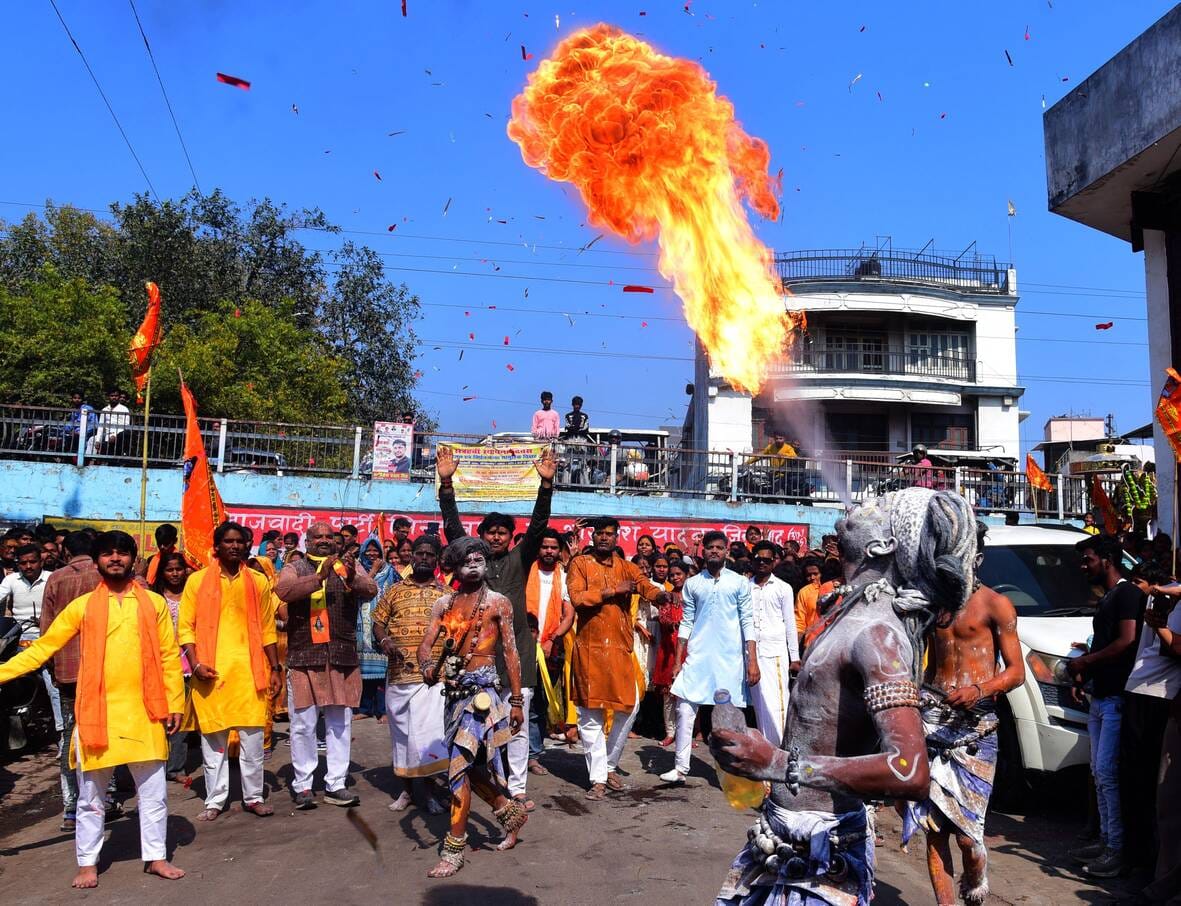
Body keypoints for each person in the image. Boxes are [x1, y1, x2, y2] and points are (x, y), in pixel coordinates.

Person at [711, 488, 977, 906]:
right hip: (783, 835)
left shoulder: (878, 635)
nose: (862, 503)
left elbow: (909, 771)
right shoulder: (846, 610)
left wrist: (777, 763)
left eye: (880, 507)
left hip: (821, 849)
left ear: (882, 545)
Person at [0, 531, 185, 888]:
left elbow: (168, 656)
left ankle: (156, 857)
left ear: (133, 559)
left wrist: (175, 701)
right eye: (108, 553)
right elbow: (44, 648)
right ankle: (87, 863)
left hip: (145, 712)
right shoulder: (82, 606)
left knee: (154, 793)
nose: (115, 558)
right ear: (97, 561)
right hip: (97, 713)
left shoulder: (153, 603)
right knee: (90, 797)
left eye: (122, 553)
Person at [901, 521, 1026, 906]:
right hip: (934, 722)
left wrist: (979, 690)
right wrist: (914, 692)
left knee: (968, 839)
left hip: (977, 730)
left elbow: (1016, 672)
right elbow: (921, 662)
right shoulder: (933, 605)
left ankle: (975, 882)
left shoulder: (996, 604)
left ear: (977, 557)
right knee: (935, 829)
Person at [437, 444, 557, 807]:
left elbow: (538, 526)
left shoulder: (521, 558)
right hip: (480, 660)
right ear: (482, 535)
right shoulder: (474, 562)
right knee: (477, 725)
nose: (496, 537)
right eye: (490, 532)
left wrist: (546, 486)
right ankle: (483, 783)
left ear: (510, 537)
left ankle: (516, 790)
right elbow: (453, 528)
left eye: (503, 532)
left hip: (519, 655)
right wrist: (446, 485)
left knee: (517, 727)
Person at [418, 537, 526, 878]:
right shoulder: (443, 604)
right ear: (454, 566)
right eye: (467, 561)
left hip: (482, 698)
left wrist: (517, 701)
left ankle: (453, 849)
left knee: (458, 766)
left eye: (480, 560)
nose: (475, 565)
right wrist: (427, 667)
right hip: (454, 696)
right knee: (467, 768)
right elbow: (426, 645)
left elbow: (510, 652)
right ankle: (509, 812)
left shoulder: (498, 603)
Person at [179, 522, 280, 820]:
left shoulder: (258, 582)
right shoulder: (197, 581)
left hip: (250, 674)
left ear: (246, 546)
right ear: (217, 546)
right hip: (211, 674)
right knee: (214, 744)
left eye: (239, 541)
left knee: (253, 743)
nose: (234, 546)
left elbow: (268, 629)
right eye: (228, 541)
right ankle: (214, 800)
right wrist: (195, 664)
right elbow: (185, 627)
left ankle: (254, 797)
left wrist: (275, 668)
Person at [275, 521, 378, 809]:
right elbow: (283, 591)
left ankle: (336, 784)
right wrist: (319, 577)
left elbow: (370, 589)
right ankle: (303, 786)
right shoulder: (295, 567)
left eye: (328, 536)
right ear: (307, 542)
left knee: (339, 724)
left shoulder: (348, 565)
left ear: (335, 541)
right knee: (302, 725)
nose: (323, 540)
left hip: (341, 656)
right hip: (304, 657)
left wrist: (351, 576)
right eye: (317, 536)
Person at [567, 517, 669, 799]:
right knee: (590, 715)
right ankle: (598, 778)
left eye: (609, 534)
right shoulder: (580, 564)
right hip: (590, 649)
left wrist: (661, 597)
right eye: (599, 533)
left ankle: (608, 764)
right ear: (593, 537)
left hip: (620, 649)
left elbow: (644, 585)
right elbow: (578, 598)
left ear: (616, 538)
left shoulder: (627, 567)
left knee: (630, 706)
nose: (604, 537)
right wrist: (612, 590)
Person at [1068, 533, 1145, 879]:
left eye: (1088, 560)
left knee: (1108, 775)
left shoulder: (1128, 594)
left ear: (1107, 560)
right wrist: (1085, 671)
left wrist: (1086, 663)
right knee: (1099, 774)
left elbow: (1127, 640)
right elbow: (1105, 643)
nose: (1084, 566)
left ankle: (1116, 849)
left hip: (1116, 698)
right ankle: (1105, 840)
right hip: (1101, 695)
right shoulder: (1109, 597)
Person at [661, 531, 756, 784]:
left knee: (728, 719)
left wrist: (752, 661)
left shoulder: (739, 582)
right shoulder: (693, 584)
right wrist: (678, 662)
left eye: (719, 547)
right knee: (684, 709)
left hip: (729, 658)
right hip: (698, 657)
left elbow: (748, 622)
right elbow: (686, 623)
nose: (714, 551)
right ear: (703, 551)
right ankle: (680, 768)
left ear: (726, 551)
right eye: (710, 547)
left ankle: (732, 772)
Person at [372, 534, 448, 814]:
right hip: (399, 676)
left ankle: (429, 792)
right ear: (412, 556)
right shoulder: (394, 591)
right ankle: (406, 792)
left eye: (430, 554)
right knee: (402, 735)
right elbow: (378, 622)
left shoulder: (447, 594)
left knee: (428, 736)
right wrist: (384, 640)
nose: (424, 558)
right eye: (419, 553)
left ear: (437, 560)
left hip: (433, 678)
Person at [1119, 562, 1181, 879]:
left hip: (1160, 696)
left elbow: (1176, 649)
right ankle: (1135, 855)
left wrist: (1162, 626)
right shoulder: (1165, 598)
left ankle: (1148, 862)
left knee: (1152, 786)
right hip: (1141, 691)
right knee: (1134, 780)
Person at [40, 530, 102, 831]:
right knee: (101, 730)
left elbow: (47, 630)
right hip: (101, 669)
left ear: (67, 553)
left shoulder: (56, 578)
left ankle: (71, 806)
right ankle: (105, 796)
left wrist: (51, 665)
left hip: (66, 670)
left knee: (70, 734)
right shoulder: (104, 576)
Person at [517, 528, 574, 787]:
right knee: (517, 700)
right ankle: (513, 753)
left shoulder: (565, 576)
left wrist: (552, 639)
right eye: (544, 547)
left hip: (550, 648)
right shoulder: (525, 570)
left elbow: (569, 614)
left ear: (560, 551)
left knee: (539, 703)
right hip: (522, 644)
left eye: (553, 547)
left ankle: (533, 755)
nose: (549, 551)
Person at [0, 544, 64, 739]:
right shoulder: (11, 580)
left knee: (52, 684)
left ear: (41, 561)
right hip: (17, 636)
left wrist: (46, 620)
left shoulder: (52, 579)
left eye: (32, 562)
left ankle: (61, 733)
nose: (28, 566)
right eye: (23, 563)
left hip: (46, 636)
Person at [747, 540, 800, 749]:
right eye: (758, 559)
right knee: (759, 704)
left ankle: (782, 752)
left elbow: (790, 623)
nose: (762, 563)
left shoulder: (783, 588)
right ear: (753, 560)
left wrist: (794, 657)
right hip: (751, 654)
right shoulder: (745, 587)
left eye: (767, 560)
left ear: (774, 562)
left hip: (775, 652)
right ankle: (767, 752)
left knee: (778, 705)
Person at [152, 552, 193, 780]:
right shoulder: (154, 597)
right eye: (170, 570)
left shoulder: (192, 595)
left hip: (186, 661)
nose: (175, 574)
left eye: (178, 569)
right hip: (159, 661)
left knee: (180, 716)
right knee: (158, 715)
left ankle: (176, 767)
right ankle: (155, 763)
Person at [356, 537, 396, 721]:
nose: (372, 554)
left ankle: (383, 711)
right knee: (364, 670)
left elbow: (397, 591)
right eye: (368, 551)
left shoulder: (390, 571)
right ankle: (364, 709)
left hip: (382, 624)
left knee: (383, 672)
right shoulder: (358, 570)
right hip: (361, 626)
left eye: (375, 551)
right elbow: (357, 588)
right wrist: (372, 571)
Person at [653, 560, 687, 746]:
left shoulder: (693, 596)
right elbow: (663, 618)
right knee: (668, 694)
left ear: (687, 575)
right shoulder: (666, 597)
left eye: (678, 574)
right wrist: (673, 624)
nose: (675, 577)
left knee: (687, 693)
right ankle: (670, 732)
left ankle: (686, 733)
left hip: (689, 647)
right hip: (670, 647)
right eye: (672, 575)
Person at [87, 389, 131, 456]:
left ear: (119, 397)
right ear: (108, 397)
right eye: (112, 396)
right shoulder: (104, 409)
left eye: (116, 396)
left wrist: (115, 436)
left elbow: (126, 426)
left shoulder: (124, 409)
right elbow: (101, 426)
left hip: (119, 436)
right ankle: (90, 459)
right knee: (92, 439)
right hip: (106, 435)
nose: (114, 397)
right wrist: (98, 440)